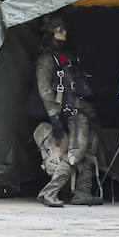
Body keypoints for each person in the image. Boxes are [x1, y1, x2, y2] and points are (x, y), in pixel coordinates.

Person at [34, 11, 102, 206]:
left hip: (84, 110)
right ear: (49, 34)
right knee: (76, 153)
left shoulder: (67, 55)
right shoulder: (46, 60)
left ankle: (82, 192)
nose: (64, 33)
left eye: (64, 29)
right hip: (71, 112)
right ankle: (49, 193)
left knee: (90, 150)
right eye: (59, 30)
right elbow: (45, 90)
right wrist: (54, 117)